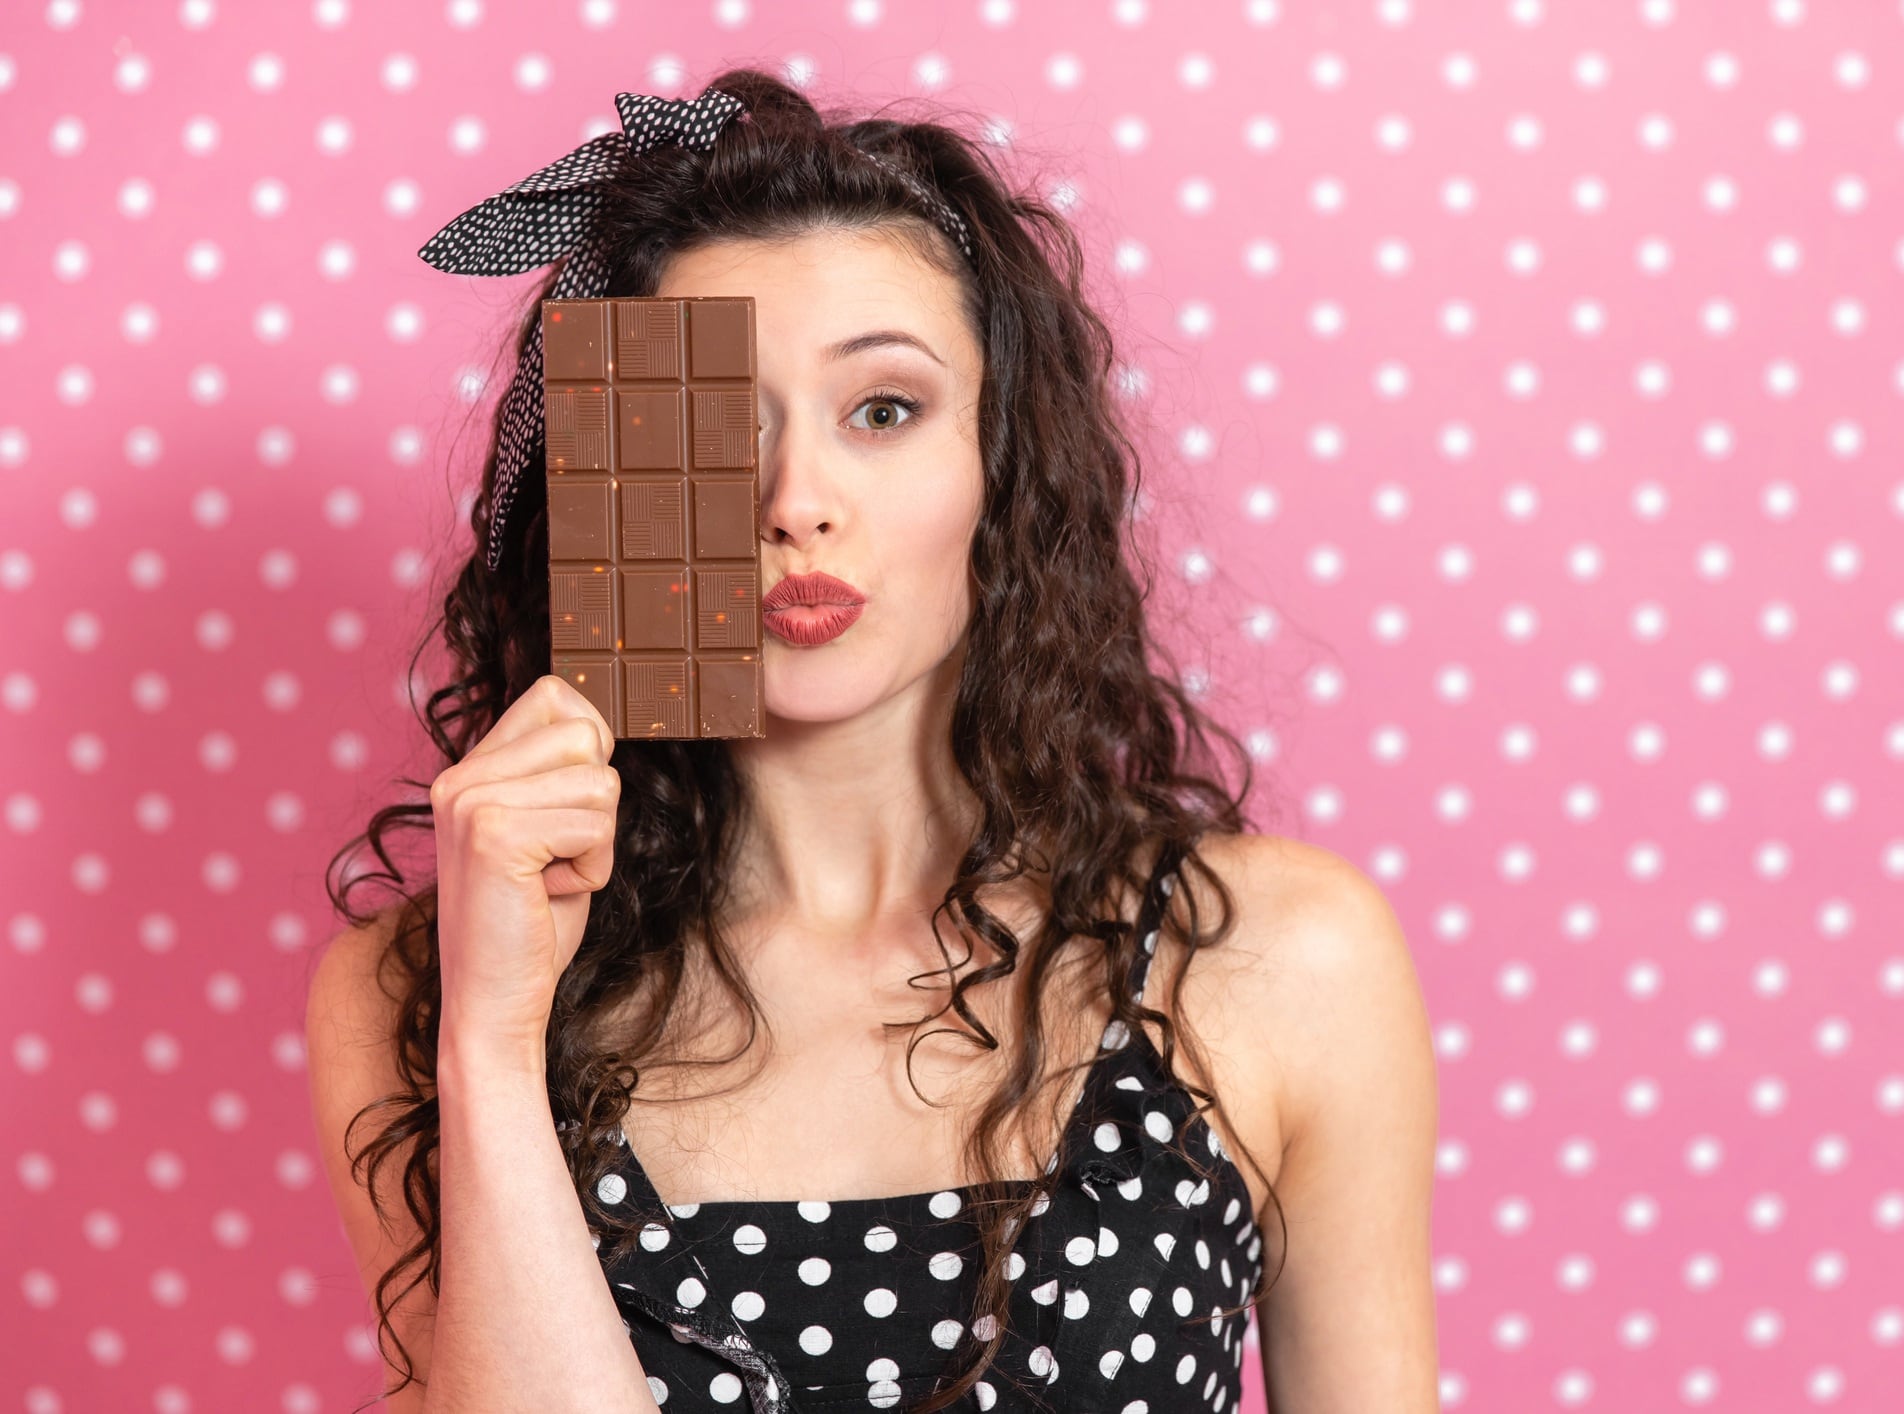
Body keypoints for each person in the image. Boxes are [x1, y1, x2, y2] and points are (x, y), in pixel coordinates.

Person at [306, 68, 1439, 1414]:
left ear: (999, 463)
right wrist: (493, 1043)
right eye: (718, 426)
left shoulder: (1278, 959)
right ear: (619, 482)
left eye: (883, 411)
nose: (795, 502)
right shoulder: (418, 994)